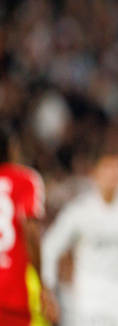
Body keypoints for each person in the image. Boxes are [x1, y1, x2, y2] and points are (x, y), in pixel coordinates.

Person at [41, 155, 118, 326]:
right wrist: (48, 290)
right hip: (90, 298)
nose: (114, 174)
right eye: (108, 168)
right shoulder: (80, 210)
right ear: (95, 173)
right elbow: (50, 247)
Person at [0, 128, 55, 326]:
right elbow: (31, 232)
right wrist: (42, 284)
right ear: (11, 149)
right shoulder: (26, 180)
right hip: (12, 297)